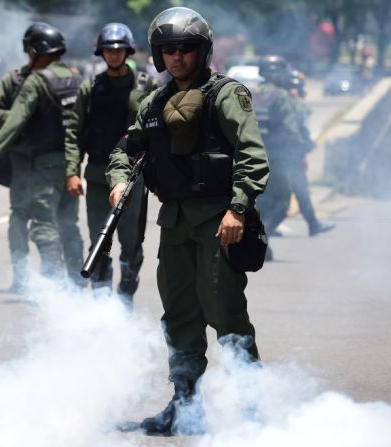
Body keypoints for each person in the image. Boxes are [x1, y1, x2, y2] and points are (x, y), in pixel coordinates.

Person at [106, 7, 269, 435]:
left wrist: (238, 208)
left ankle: (253, 413)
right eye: (168, 50)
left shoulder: (225, 95)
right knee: (178, 317)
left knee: (227, 315)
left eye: (186, 48)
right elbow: (125, 148)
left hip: (219, 221)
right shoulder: (155, 103)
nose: (177, 57)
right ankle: (184, 407)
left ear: (202, 51)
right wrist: (120, 181)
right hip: (174, 223)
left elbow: (251, 156)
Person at [0, 23, 85, 292]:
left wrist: (19, 123)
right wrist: (22, 120)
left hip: (48, 164)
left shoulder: (49, 81)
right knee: (21, 216)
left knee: (54, 223)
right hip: (22, 163)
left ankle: (62, 284)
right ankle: (22, 278)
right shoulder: (16, 79)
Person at [64, 22, 158, 304]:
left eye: (119, 49)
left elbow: (157, 132)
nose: (114, 54)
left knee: (131, 244)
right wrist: (72, 172)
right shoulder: (90, 87)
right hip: (96, 176)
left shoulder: (146, 85)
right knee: (99, 240)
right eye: (108, 50)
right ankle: (102, 303)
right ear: (101, 53)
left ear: (128, 51)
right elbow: (74, 132)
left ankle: (125, 296)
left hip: (133, 178)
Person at [254, 55, 334, 241]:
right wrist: (302, 150)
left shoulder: (252, 93)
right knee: (282, 203)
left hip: (258, 157)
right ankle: (260, 237)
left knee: (264, 202)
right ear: (277, 74)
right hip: (282, 157)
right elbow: (292, 128)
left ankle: (263, 246)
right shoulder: (281, 96)